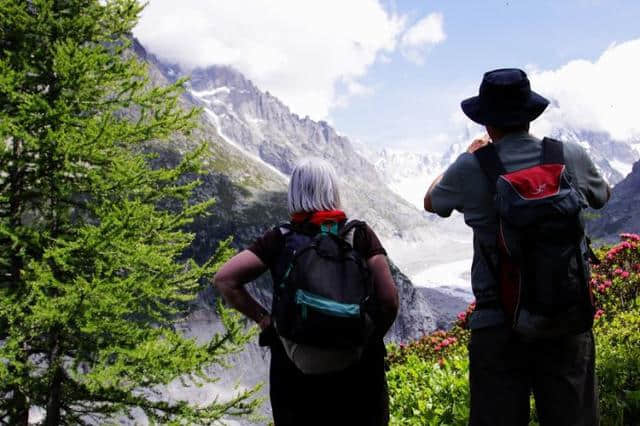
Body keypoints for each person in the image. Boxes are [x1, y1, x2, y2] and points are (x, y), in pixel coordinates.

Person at [424, 68, 610, 426]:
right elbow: (603, 196)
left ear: (487, 123)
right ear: (530, 115)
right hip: (566, 317)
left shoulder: (470, 166)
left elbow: (432, 201)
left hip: (498, 323)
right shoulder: (569, 155)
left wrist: (466, 155)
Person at [214, 158, 399, 426]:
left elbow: (225, 279)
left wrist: (265, 319)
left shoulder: (280, 238)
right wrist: (367, 337)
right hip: (359, 376)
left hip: (294, 374)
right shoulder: (358, 234)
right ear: (333, 190)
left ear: (295, 193)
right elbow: (389, 299)